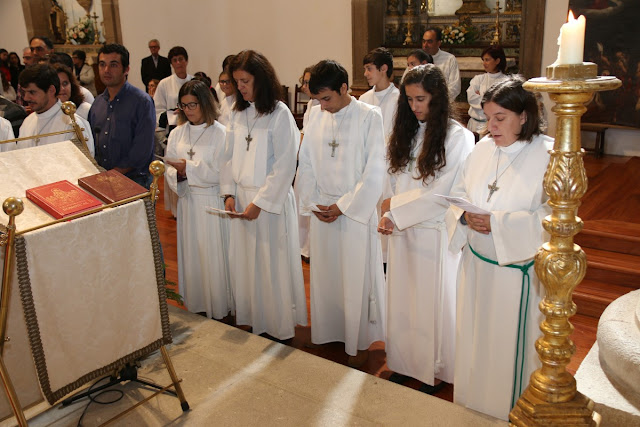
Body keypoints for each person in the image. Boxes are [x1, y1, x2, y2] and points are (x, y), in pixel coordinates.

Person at [446, 75, 553, 421]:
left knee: (506, 350)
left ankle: (510, 413)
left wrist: (499, 223)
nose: (490, 126)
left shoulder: (550, 154)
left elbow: (554, 217)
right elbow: (459, 192)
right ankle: (471, 407)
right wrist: (464, 216)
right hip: (476, 266)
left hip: (515, 275)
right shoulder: (481, 149)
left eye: (500, 118)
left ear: (524, 115)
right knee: (475, 341)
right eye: (488, 117)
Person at [378, 64, 474, 394]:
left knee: (431, 305)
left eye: (421, 99)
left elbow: (446, 193)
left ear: (438, 97)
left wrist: (395, 210)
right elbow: (393, 178)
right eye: (409, 99)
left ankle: (436, 370)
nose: (415, 106)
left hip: (433, 233)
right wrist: (389, 208)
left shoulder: (458, 137)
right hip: (402, 230)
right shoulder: (406, 133)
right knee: (404, 303)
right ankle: (405, 363)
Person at [296, 59, 386, 368]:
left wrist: (343, 206)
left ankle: (356, 340)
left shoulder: (369, 117)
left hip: (353, 212)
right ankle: (327, 332)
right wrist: (313, 202)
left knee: (354, 277)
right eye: (317, 99)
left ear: (344, 88)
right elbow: (306, 162)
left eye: (326, 98)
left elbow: (375, 168)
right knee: (326, 277)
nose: (321, 106)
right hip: (323, 209)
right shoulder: (316, 115)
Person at [220, 50, 306, 341]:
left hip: (269, 203)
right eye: (237, 81)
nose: (240, 87)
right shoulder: (237, 113)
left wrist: (260, 203)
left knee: (272, 264)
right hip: (242, 198)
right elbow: (227, 157)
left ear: (262, 79)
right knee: (247, 263)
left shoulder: (279, 114)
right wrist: (228, 193)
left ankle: (278, 325)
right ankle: (253, 316)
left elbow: (285, 164)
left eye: (245, 81)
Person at [165, 80, 232, 320]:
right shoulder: (177, 134)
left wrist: (189, 168)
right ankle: (197, 302)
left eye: (193, 104)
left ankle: (220, 305)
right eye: (184, 105)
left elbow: (222, 173)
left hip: (211, 201)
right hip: (188, 201)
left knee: (212, 255)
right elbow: (169, 167)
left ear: (205, 103)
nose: (188, 110)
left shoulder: (220, 133)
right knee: (192, 254)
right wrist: (179, 173)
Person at [89, 44, 155, 188]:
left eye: (113, 65)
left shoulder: (142, 102)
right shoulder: (97, 103)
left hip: (135, 182)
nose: (106, 70)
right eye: (102, 64)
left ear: (126, 69)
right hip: (103, 180)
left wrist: (112, 175)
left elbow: (142, 150)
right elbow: (91, 143)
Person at [15, 64, 94, 155]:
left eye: (32, 92)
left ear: (51, 90)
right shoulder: (27, 122)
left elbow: (84, 162)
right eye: (24, 92)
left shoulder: (72, 124)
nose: (26, 98)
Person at [359, 47, 400, 143]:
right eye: (365, 69)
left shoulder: (398, 98)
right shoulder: (364, 99)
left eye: (369, 69)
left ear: (383, 68)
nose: (365, 74)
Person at [467, 45, 509, 136]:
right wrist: (492, 100)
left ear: (497, 61)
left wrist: (481, 97)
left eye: (487, 60)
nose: (484, 63)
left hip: (494, 126)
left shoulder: (506, 82)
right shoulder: (478, 79)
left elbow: (502, 104)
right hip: (474, 124)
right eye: (483, 60)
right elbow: (471, 97)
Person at [154, 46, 193, 132]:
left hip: (193, 126)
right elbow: (158, 110)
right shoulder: (164, 84)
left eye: (181, 59)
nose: (178, 63)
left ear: (186, 61)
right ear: (171, 64)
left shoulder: (194, 81)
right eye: (175, 60)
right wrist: (172, 115)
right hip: (173, 129)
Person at [422, 28, 461, 100]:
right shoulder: (416, 58)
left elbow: (455, 86)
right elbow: (405, 81)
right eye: (424, 41)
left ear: (438, 43)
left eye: (429, 42)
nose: (425, 45)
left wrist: (437, 100)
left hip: (442, 102)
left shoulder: (450, 59)